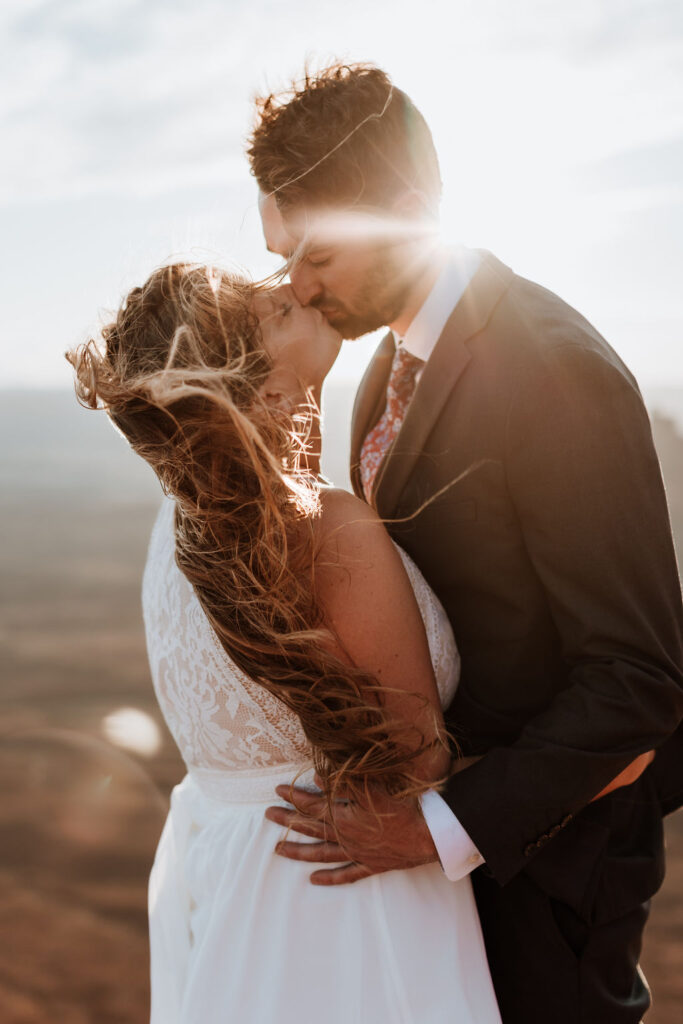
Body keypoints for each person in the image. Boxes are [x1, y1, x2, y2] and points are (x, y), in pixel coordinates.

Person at [248, 62, 683, 1022]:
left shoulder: (554, 367)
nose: (297, 282)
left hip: (551, 879)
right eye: (284, 253)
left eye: (316, 250)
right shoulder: (383, 368)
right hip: (447, 877)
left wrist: (437, 827)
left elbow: (637, 677)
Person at [67, 262, 504, 1023]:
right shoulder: (331, 533)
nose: (288, 285)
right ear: (261, 392)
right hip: (358, 919)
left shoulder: (177, 528)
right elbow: (417, 760)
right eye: (264, 310)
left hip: (236, 897)